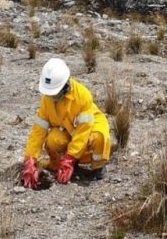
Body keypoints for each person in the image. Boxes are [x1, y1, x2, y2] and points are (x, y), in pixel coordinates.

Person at [22, 58, 111, 189]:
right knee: (53, 139)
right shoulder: (47, 101)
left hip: (90, 127)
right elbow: (38, 132)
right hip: (69, 131)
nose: (51, 96)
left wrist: (70, 157)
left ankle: (98, 167)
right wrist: (30, 160)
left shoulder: (82, 95)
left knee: (98, 137)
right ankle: (61, 166)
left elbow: (83, 131)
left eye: (54, 92)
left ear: (65, 86)